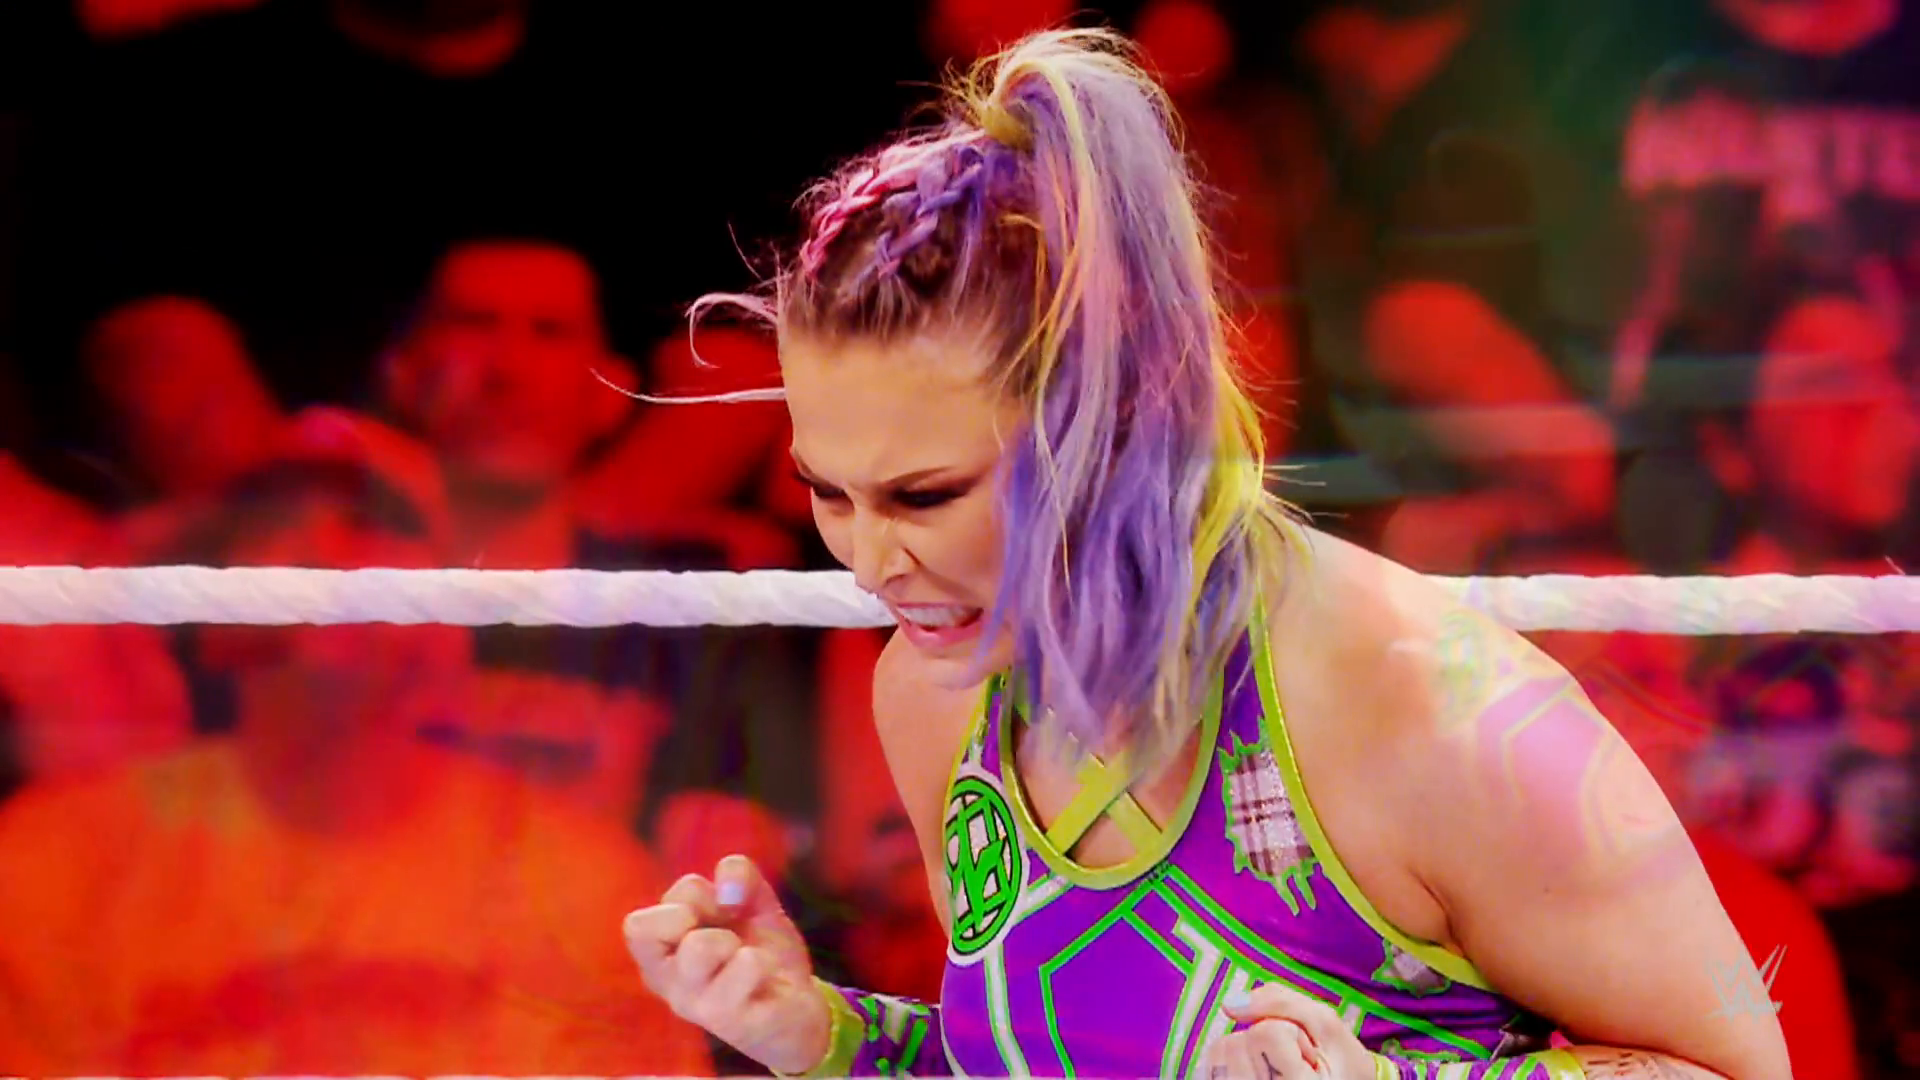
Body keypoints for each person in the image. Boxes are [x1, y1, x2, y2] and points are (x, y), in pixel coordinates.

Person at [624, 30, 1792, 1080]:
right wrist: (822, 1037)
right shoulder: (936, 696)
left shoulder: (1421, 701)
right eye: (827, 493)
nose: (873, 559)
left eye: (925, 495)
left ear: (1105, 425)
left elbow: (1740, 1071)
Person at [0, 408, 713, 1075]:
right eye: (274, 522)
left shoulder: (585, 885)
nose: (325, 550)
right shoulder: (56, 865)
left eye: (373, 523)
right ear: (208, 620)